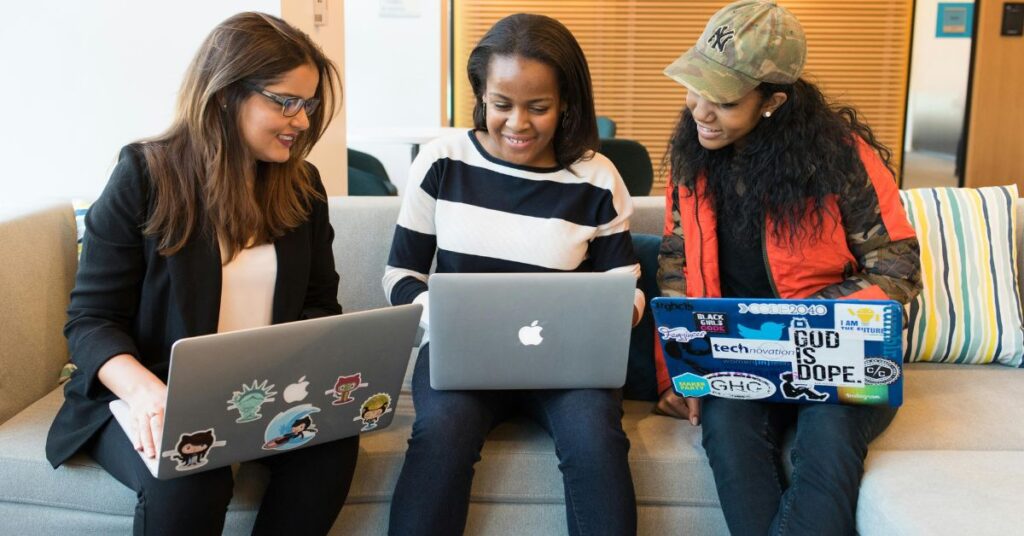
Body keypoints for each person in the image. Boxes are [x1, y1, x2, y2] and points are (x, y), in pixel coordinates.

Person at [45, 12, 357, 536]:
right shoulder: (143, 175)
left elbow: (320, 305)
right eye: (286, 101)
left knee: (330, 451)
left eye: (308, 104)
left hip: (261, 396)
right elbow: (91, 321)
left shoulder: (303, 188)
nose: (302, 120)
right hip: (144, 397)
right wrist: (146, 393)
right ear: (226, 94)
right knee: (194, 474)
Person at [653, 1, 922, 535]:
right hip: (739, 360)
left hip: (841, 356)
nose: (700, 110)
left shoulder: (841, 160)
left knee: (828, 437)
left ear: (772, 101)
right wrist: (677, 374)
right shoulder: (693, 159)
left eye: (723, 100)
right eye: (695, 88)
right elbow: (676, 265)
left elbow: (897, 271)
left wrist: (793, 323)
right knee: (726, 430)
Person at [383, 13, 643, 536]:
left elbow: (629, 289)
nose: (518, 123)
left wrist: (616, 315)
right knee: (440, 431)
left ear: (566, 101)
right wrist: (447, 316)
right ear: (480, 95)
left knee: (596, 436)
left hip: (567, 364)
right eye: (501, 104)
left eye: (538, 107)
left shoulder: (596, 177)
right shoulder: (441, 162)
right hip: (462, 358)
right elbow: (400, 275)